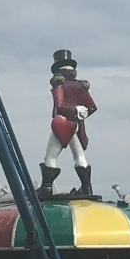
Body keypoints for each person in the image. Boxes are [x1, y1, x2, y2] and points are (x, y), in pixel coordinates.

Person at [38, 49, 97, 200]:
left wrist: (72, 111)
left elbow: (60, 106)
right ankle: (87, 187)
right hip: (77, 125)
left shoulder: (59, 84)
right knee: (79, 156)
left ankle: (46, 187)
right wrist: (79, 113)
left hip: (63, 123)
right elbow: (92, 107)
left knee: (50, 156)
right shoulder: (81, 86)